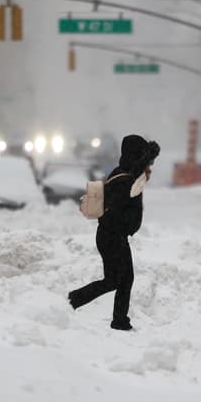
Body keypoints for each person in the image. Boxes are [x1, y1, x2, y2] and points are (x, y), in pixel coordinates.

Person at [68, 134, 160, 331]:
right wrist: (148, 155)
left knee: (120, 280)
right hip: (112, 237)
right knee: (118, 280)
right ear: (136, 155)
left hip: (113, 236)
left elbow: (136, 172)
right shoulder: (124, 178)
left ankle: (116, 318)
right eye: (143, 156)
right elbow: (132, 177)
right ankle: (74, 301)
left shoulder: (124, 173)